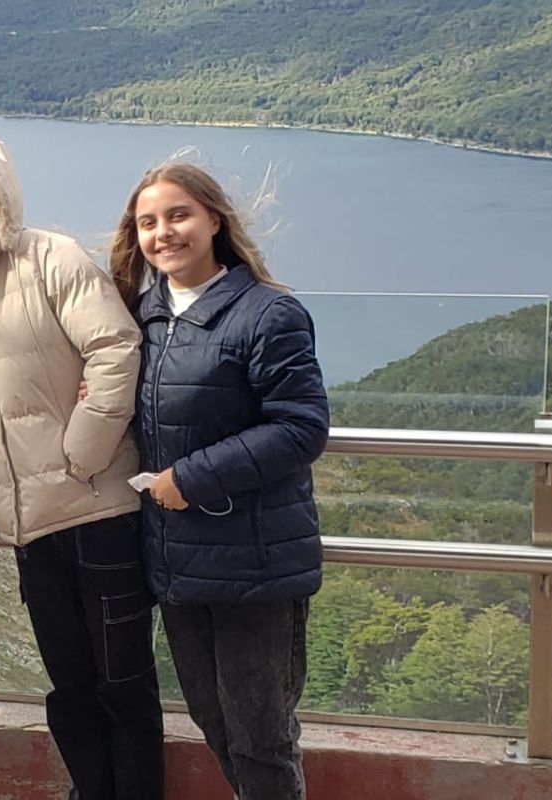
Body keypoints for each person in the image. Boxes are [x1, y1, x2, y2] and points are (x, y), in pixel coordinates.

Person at [0, 138, 163, 800]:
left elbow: (115, 347)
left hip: (98, 508)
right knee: (71, 688)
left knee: (123, 685)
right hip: (28, 525)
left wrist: (80, 454)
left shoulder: (49, 258)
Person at [109, 162, 329, 800]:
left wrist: (192, 478)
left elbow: (300, 428)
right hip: (177, 564)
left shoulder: (267, 314)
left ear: (213, 220)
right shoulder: (140, 317)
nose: (163, 232)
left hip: (255, 565)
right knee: (212, 720)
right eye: (148, 222)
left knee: (261, 736)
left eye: (178, 215)